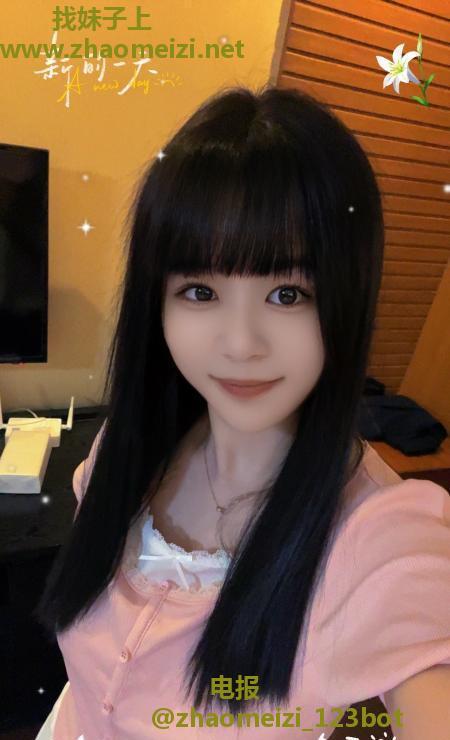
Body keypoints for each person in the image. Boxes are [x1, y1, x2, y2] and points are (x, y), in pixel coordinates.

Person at [34, 84, 450, 739]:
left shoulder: (378, 536)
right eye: (200, 290)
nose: (240, 344)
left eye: (288, 294)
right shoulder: (124, 448)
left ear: (346, 297)